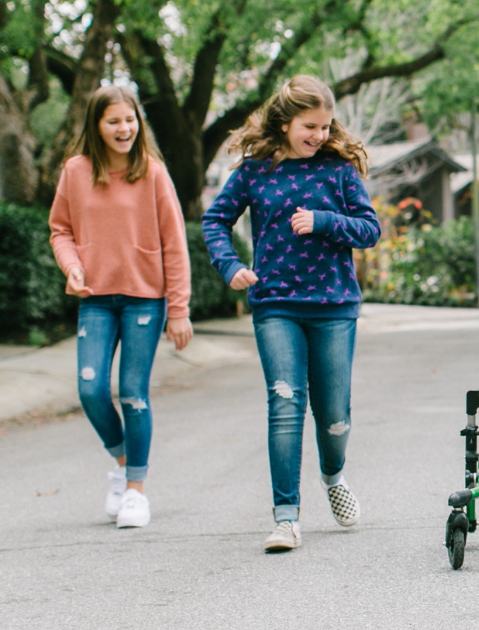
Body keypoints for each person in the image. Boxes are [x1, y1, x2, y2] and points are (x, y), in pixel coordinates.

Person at [202, 75, 380, 551]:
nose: (319, 135)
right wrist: (231, 265)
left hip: (335, 307)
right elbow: (216, 220)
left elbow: (369, 230)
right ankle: (286, 518)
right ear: (284, 124)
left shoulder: (339, 170)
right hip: (276, 304)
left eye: (325, 126)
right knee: (285, 403)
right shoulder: (255, 171)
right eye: (309, 126)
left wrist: (324, 221)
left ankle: (333, 474)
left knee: (334, 414)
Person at [49, 86, 193, 528]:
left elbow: (175, 242)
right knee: (91, 390)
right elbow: (60, 230)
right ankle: (125, 460)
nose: (124, 128)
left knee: (133, 393)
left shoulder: (152, 172)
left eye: (130, 120)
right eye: (113, 121)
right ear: (96, 125)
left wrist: (179, 308)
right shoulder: (75, 171)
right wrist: (71, 266)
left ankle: (135, 491)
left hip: (144, 300)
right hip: (95, 299)